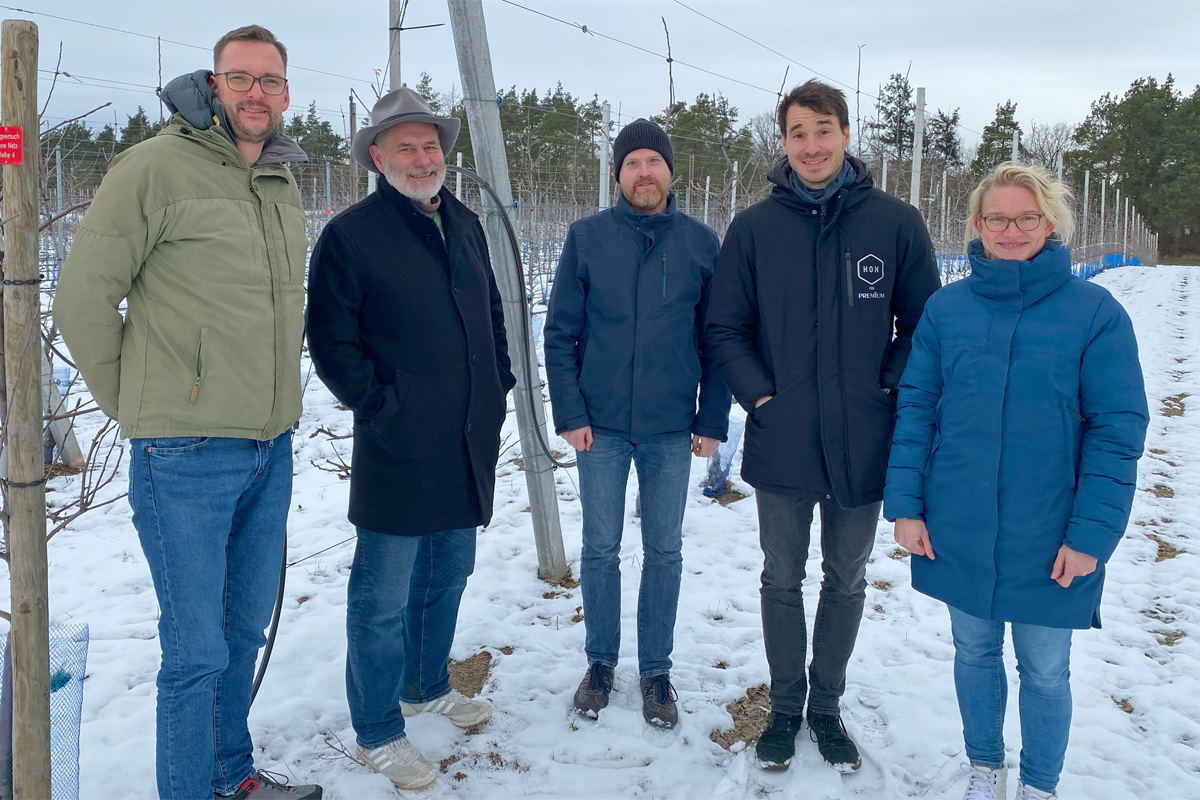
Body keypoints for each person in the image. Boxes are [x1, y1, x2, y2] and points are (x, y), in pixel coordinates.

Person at [53, 26, 319, 800]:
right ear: (212, 83)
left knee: (242, 634)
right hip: (187, 454)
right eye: (241, 78)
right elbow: (82, 301)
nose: (256, 94)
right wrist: (144, 407)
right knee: (197, 648)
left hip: (271, 445)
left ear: (286, 92)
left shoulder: (280, 181)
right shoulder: (154, 168)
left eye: (270, 80)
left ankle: (231, 776)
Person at [884, 163, 1149, 800]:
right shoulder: (947, 310)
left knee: (1046, 670)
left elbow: (1117, 431)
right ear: (976, 224)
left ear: (1049, 223)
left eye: (1025, 217)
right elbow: (917, 407)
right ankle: (984, 770)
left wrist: (1090, 536)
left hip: (1051, 532)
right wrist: (907, 505)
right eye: (997, 217)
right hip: (960, 524)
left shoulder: (1093, 313)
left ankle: (1039, 785)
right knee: (973, 653)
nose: (1010, 229)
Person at [706, 80, 941, 771]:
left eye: (824, 130)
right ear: (782, 142)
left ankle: (828, 707)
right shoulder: (754, 229)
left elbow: (922, 323)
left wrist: (883, 388)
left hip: (863, 436)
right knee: (782, 575)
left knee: (846, 576)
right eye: (798, 132)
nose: (812, 145)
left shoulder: (895, 223)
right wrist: (761, 399)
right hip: (782, 435)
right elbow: (725, 327)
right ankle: (783, 708)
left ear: (846, 134)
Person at [306, 87, 516, 792]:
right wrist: (382, 406)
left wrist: (500, 383)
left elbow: (488, 307)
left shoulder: (464, 223)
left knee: (447, 574)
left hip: (466, 438)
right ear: (377, 156)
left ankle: (426, 686)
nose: (422, 158)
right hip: (399, 441)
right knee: (382, 596)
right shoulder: (353, 235)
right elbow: (331, 342)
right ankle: (376, 730)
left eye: (430, 146)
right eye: (406, 147)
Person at [544, 118, 730, 729]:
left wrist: (711, 416)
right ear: (618, 173)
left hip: (671, 428)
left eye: (654, 161)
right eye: (632, 163)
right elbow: (561, 330)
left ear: (671, 172)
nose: (643, 172)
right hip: (599, 427)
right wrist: (569, 411)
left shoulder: (701, 245)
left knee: (665, 549)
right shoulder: (588, 237)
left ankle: (656, 670)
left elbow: (718, 339)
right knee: (599, 548)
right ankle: (600, 661)